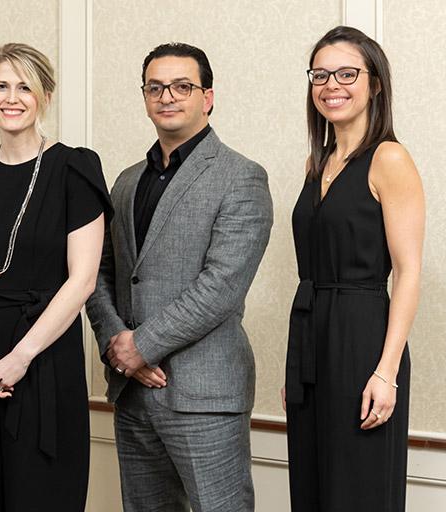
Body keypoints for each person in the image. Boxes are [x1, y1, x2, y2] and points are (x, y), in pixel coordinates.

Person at [85, 43, 273, 512]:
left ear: (207, 97)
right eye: (156, 87)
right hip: (131, 391)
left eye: (182, 86)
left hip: (205, 394)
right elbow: (98, 272)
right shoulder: (126, 181)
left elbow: (222, 287)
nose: (168, 96)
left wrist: (140, 346)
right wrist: (117, 344)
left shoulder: (241, 177)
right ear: (145, 96)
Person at [0, 43, 111, 511]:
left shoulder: (75, 169)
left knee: (42, 495)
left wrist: (20, 357)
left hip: (43, 359)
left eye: (25, 87)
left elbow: (83, 280)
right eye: (1, 86)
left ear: (45, 97)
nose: (12, 98)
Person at [283, 25, 423, 511]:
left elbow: (407, 271)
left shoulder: (390, 158)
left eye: (346, 73)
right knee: (312, 488)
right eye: (320, 75)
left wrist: (386, 372)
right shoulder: (315, 163)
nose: (331, 85)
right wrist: (297, 364)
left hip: (364, 337)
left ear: (375, 83)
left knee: (357, 490)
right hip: (309, 336)